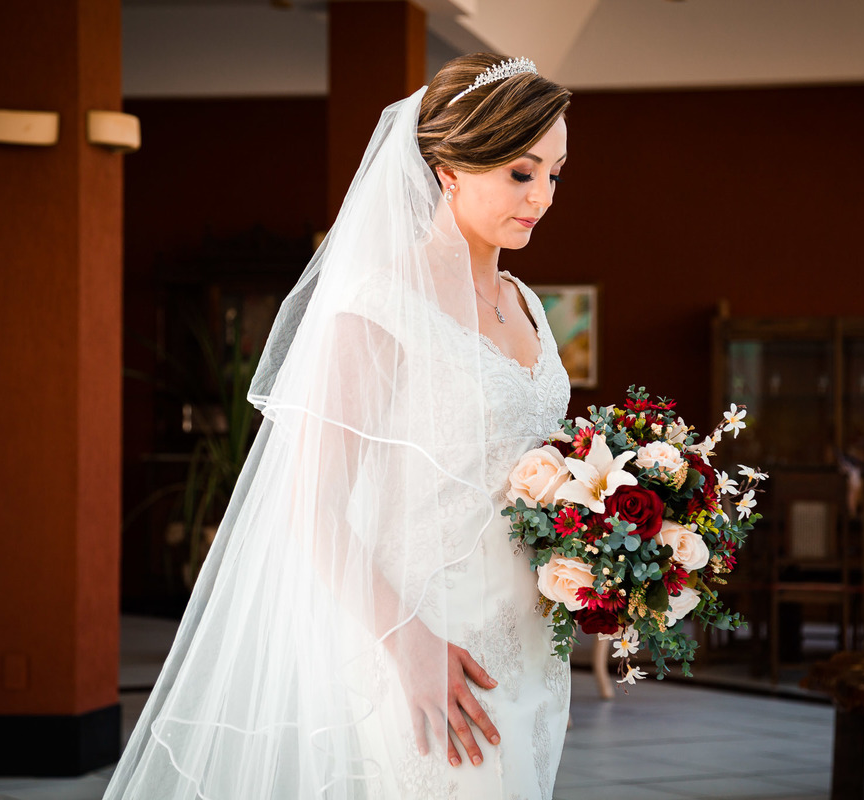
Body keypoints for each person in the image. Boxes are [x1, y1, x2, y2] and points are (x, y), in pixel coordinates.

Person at [102, 53, 572, 800]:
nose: (542, 196)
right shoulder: (380, 307)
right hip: (425, 639)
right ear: (450, 168)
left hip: (531, 641)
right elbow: (310, 504)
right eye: (522, 172)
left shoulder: (527, 304)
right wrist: (407, 644)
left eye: (555, 173)